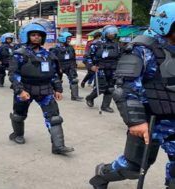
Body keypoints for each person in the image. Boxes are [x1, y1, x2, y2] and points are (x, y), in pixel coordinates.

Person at [89, 2, 175, 189]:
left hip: (173, 116)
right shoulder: (142, 48)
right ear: (168, 25)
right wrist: (135, 121)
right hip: (149, 118)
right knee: (134, 167)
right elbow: (124, 88)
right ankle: (102, 174)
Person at [8, 19, 74, 155]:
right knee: (19, 115)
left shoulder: (49, 54)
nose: (36, 37)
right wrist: (20, 90)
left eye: (39, 35)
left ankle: (58, 146)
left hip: (45, 89)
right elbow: (13, 74)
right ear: (27, 36)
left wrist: (58, 89)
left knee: (54, 118)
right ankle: (17, 134)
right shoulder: (19, 54)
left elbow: (54, 74)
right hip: (25, 89)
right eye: (33, 35)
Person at [85, 25, 120, 113]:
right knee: (101, 87)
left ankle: (105, 105)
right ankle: (90, 97)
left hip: (113, 69)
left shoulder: (116, 45)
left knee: (110, 88)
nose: (112, 36)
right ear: (105, 34)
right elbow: (87, 57)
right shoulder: (96, 44)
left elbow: (119, 57)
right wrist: (91, 66)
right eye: (110, 34)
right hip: (100, 69)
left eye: (114, 34)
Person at [50, 32, 83, 101]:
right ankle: (56, 93)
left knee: (74, 80)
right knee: (57, 81)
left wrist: (74, 66)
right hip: (60, 66)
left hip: (70, 66)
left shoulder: (70, 47)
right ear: (62, 39)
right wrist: (57, 68)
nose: (69, 40)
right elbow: (52, 60)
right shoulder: (54, 48)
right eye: (68, 39)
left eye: (70, 39)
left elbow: (73, 57)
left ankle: (75, 96)